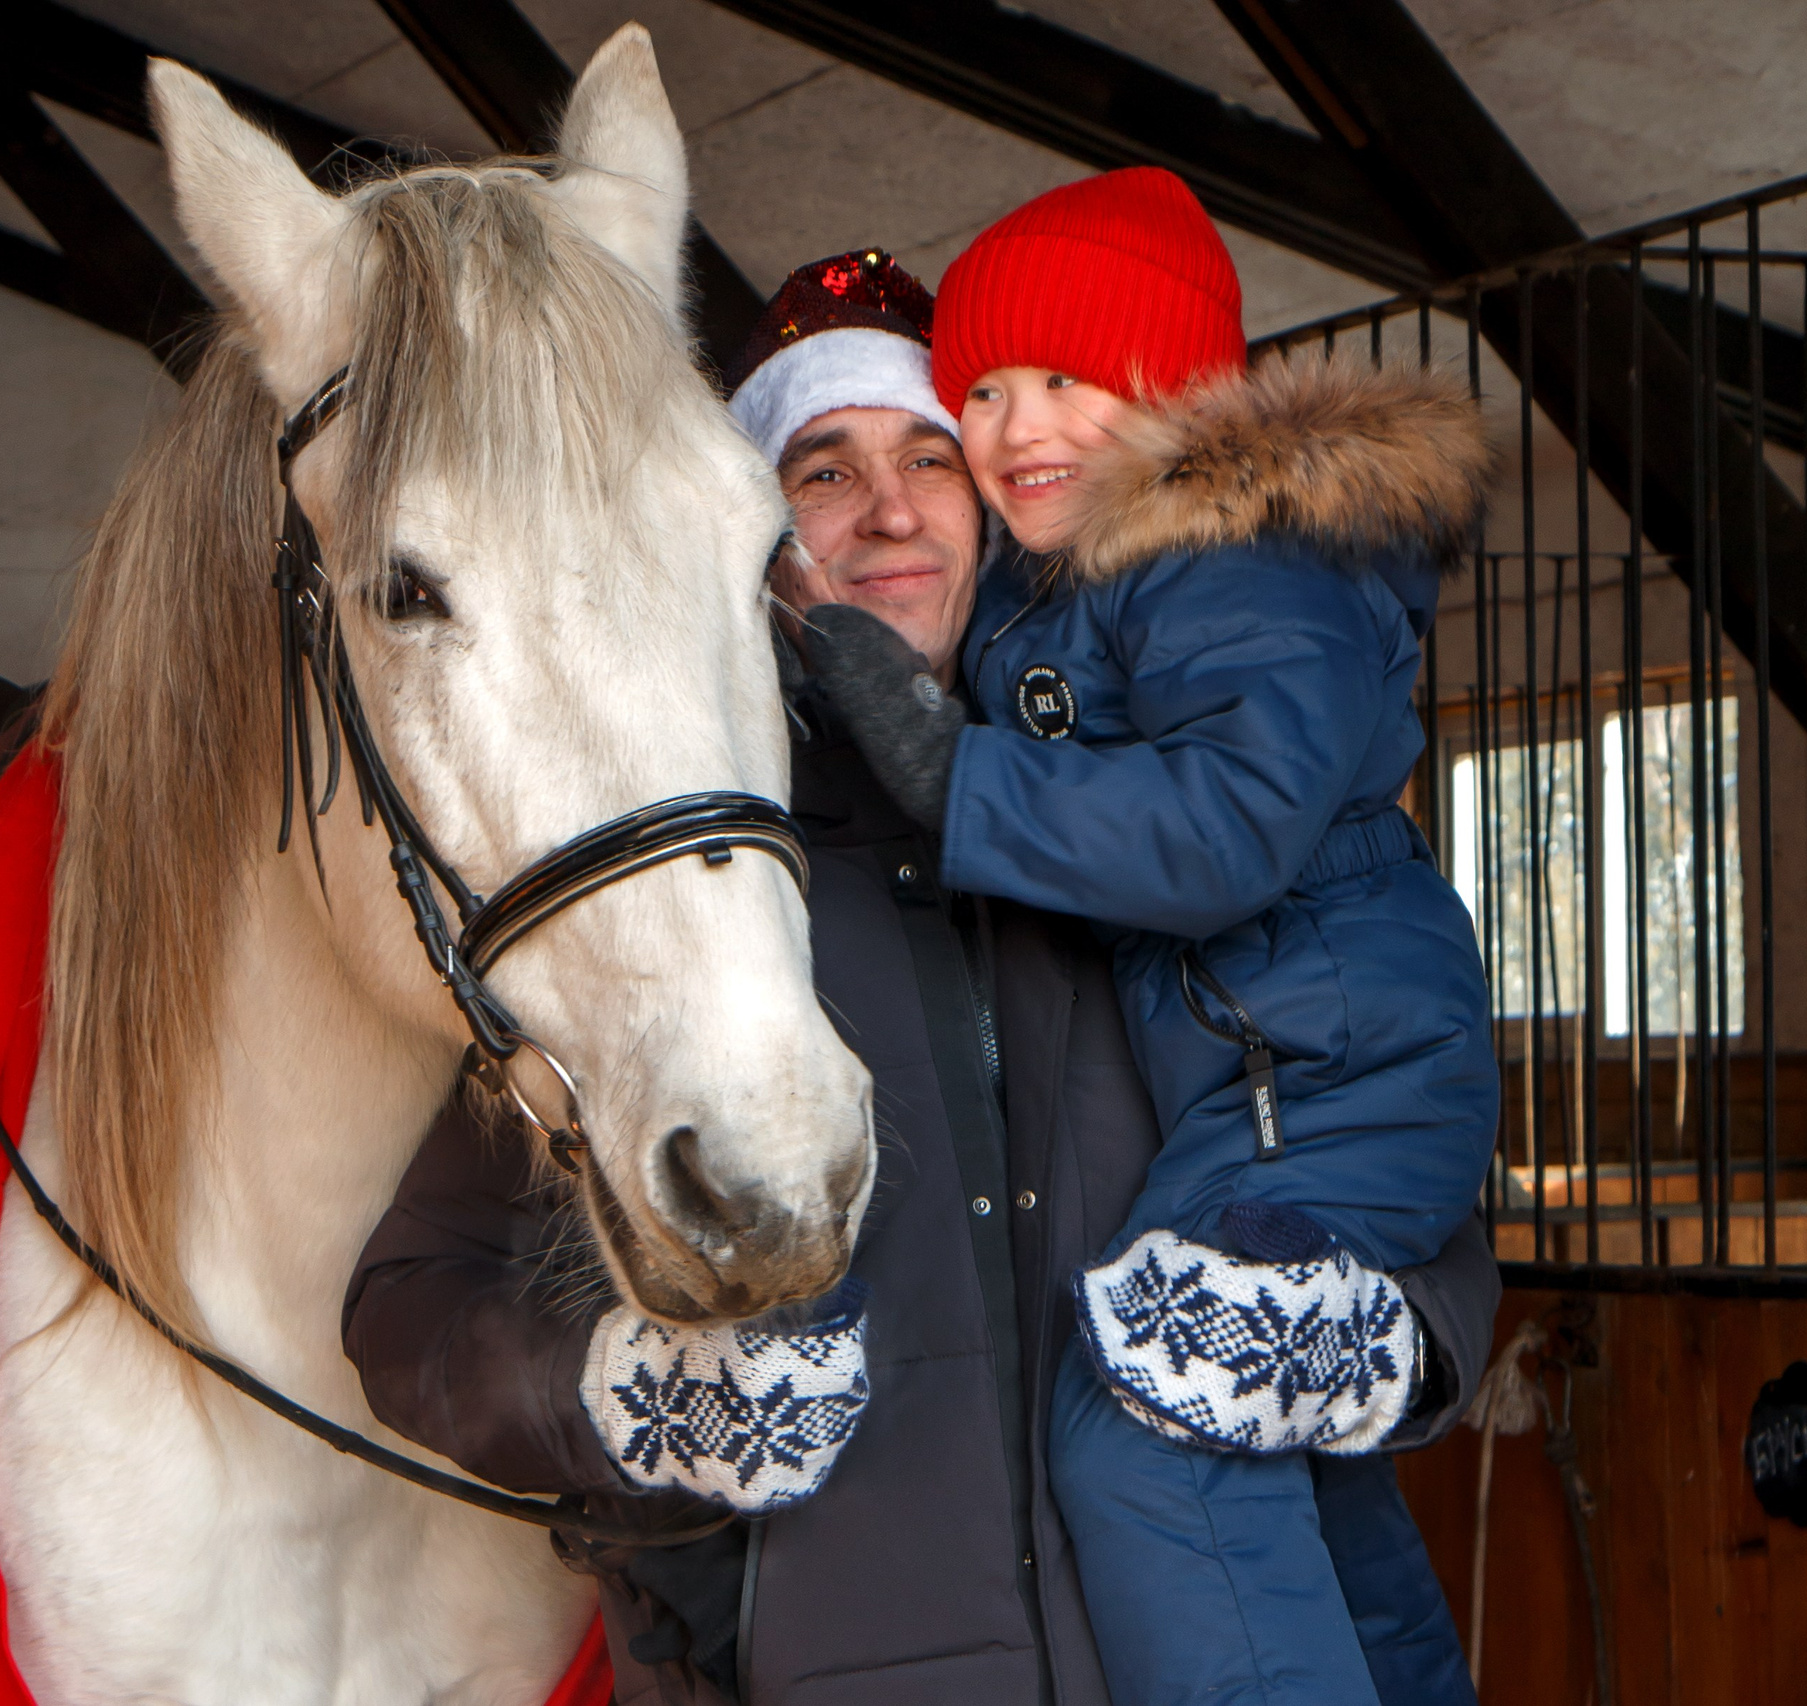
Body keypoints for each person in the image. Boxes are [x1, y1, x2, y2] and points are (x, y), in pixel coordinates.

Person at [341, 249, 1499, 1705]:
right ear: (753, 533)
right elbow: (411, 1303)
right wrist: (641, 1400)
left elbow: (1406, 1199)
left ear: (1003, 505)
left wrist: (1376, 1343)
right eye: (822, 467)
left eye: (930, 458)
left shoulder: (1160, 832)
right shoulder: (654, 901)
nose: (889, 507)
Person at [798, 174, 1501, 1706]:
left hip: (1330, 1065)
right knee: (1287, 1459)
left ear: (1180, 387)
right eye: (979, 388)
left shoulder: (1232, 557)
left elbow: (1223, 831)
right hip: (1265, 1071)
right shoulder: (1069, 598)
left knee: (1150, 1440)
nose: (1018, 424)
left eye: (1068, 375)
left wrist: (950, 769)